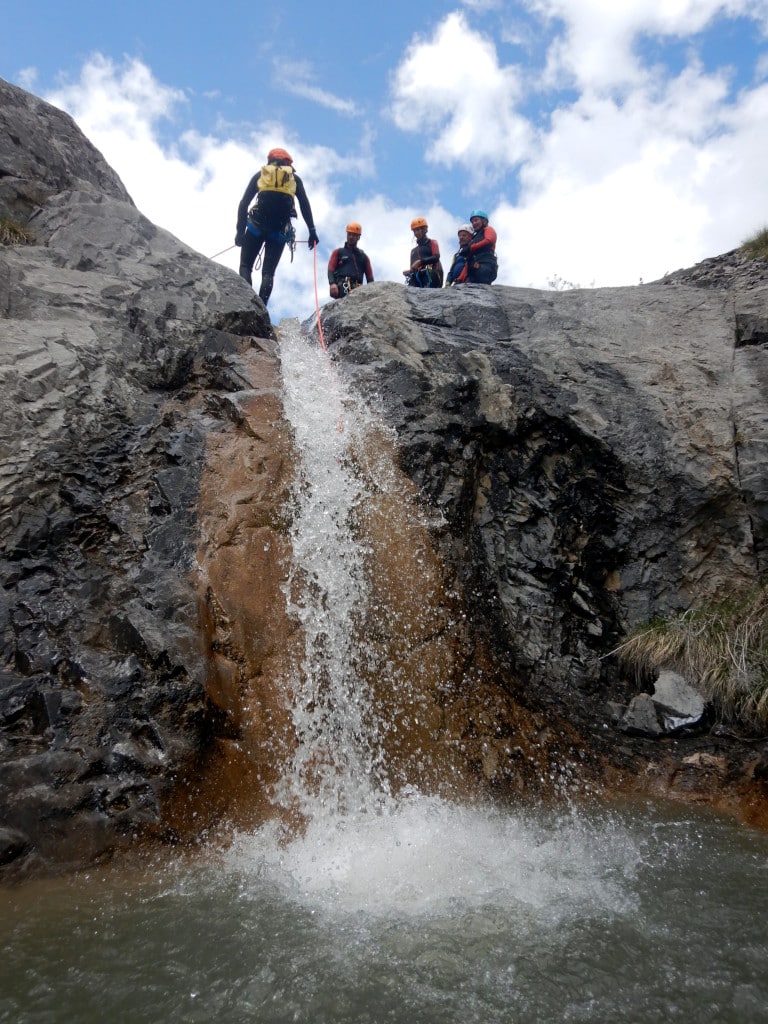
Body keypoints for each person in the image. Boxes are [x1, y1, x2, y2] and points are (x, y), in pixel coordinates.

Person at [235, 147, 319, 306]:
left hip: (255, 227)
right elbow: (304, 205)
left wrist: (239, 232)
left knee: (245, 266)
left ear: (270, 161)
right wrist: (312, 231)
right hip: (279, 232)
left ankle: (246, 303)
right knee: (268, 273)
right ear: (288, 163)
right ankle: (260, 308)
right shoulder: (294, 179)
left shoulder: (261, 175)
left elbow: (243, 204)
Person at [327, 223, 374, 298]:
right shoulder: (338, 252)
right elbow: (330, 270)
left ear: (359, 237)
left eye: (354, 235)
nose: (351, 237)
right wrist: (332, 284)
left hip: (359, 288)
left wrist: (372, 293)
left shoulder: (364, 257)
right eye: (349, 234)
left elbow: (370, 278)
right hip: (343, 287)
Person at [403, 217, 443, 288]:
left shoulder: (432, 243)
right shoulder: (413, 251)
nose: (416, 233)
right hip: (418, 276)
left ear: (425, 229)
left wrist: (420, 261)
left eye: (418, 230)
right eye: (414, 231)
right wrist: (410, 271)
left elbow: (436, 257)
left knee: (429, 274)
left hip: (431, 273)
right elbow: (413, 268)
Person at [462, 209, 498, 284]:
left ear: (484, 221)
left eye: (476, 220)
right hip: (473, 267)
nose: (474, 223)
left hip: (485, 265)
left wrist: (472, 247)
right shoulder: (474, 237)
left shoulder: (488, 229)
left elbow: (489, 240)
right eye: (472, 222)